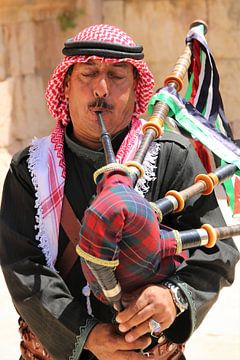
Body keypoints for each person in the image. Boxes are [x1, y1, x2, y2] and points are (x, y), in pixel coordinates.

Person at [0, 24, 239, 360]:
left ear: (136, 86)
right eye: (88, 73)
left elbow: (218, 251)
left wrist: (174, 297)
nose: (101, 88)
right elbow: (22, 266)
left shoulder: (171, 156)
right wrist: (87, 336)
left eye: (117, 75)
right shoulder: (30, 168)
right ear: (65, 85)